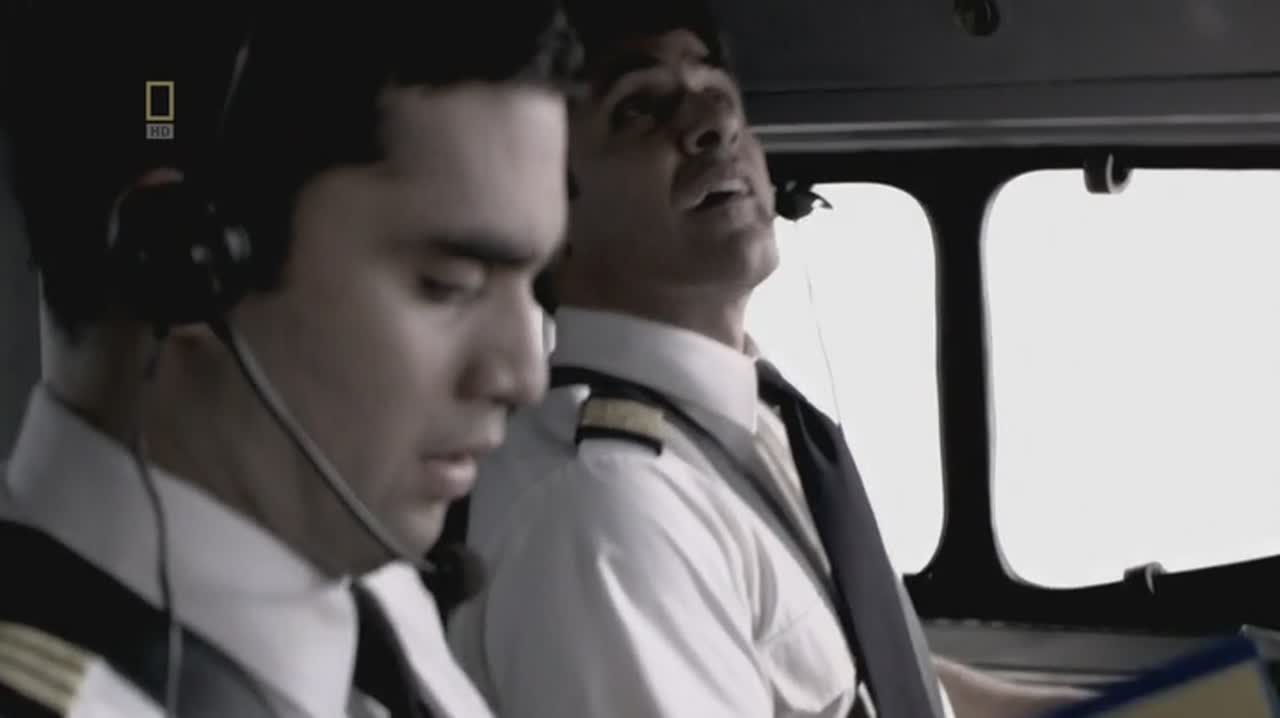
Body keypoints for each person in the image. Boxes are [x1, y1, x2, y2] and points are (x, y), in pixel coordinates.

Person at [445, 3, 1092, 717]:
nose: (716, 124)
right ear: (542, 215)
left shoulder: (742, 423)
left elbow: (863, 678)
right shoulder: (605, 506)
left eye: (719, 93)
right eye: (639, 109)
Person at [0, 3, 575, 716]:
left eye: (534, 287)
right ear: (178, 264)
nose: (526, 376)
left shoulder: (374, 602)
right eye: (447, 285)